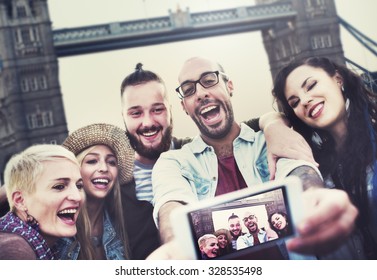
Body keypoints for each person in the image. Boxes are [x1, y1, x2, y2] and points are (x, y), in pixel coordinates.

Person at [151, 56, 358, 259]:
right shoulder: (172, 162)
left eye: (209, 80)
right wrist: (175, 245)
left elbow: (298, 171)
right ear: (184, 107)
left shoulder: (272, 139)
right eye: (188, 90)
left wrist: (314, 197)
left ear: (229, 86)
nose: (201, 93)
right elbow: (171, 204)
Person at [271, 56, 377, 259]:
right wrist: (272, 124)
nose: (304, 100)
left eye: (310, 85)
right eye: (294, 102)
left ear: (338, 79)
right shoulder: (313, 162)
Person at [57, 123, 134, 260]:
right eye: (92, 161)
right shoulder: (55, 224)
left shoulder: (121, 222)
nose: (104, 168)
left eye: (111, 162)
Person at [0, 144, 85, 259]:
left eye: (79, 186)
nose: (77, 197)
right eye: (59, 186)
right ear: (20, 201)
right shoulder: (14, 250)